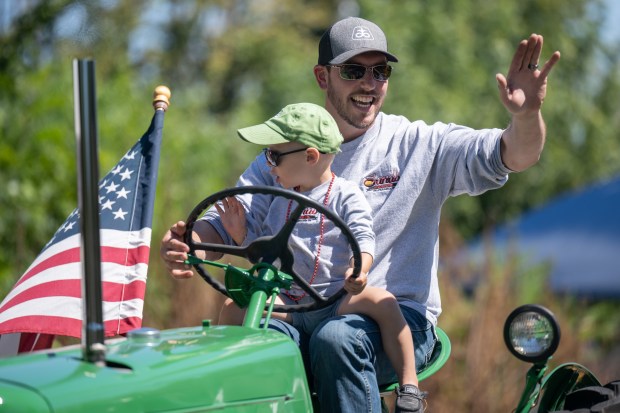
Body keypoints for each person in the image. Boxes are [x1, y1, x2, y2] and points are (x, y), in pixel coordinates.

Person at [160, 16, 561, 413]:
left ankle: (406, 393)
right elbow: (232, 222)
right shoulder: (280, 155)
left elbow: (516, 155)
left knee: (337, 340)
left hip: (392, 317)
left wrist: (525, 117)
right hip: (300, 310)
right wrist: (190, 244)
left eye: (380, 71)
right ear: (323, 77)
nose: (369, 83)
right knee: (253, 339)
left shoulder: (418, 144)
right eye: (354, 71)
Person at [214, 102, 423, 412]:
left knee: (385, 304)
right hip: (292, 303)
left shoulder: (345, 194)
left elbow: (363, 236)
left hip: (335, 299)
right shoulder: (281, 200)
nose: (268, 166)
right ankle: (226, 390)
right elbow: (268, 255)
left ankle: (410, 386)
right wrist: (241, 236)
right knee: (233, 308)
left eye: (273, 156)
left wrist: (360, 267)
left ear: (310, 156)